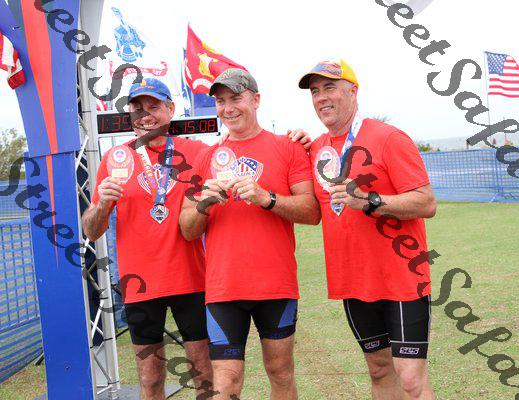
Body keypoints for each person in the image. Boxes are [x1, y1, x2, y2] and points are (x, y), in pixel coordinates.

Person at [297, 60, 437, 400]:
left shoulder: (388, 137)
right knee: (378, 370)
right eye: (315, 91)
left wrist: (371, 201)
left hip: (402, 277)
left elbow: (426, 202)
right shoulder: (315, 149)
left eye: (330, 87)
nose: (321, 97)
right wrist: (293, 144)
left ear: (353, 91)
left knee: (410, 378)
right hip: (354, 279)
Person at [179, 68, 320, 400]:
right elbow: (187, 229)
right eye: (220, 101)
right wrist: (204, 204)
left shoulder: (287, 147)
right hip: (224, 288)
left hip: (276, 284)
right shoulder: (206, 157)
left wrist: (266, 198)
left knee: (280, 371)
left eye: (236, 98)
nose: (228, 108)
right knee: (225, 380)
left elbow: (312, 211)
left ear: (256, 100)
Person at [82, 78, 212, 399]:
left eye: (153, 106)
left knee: (204, 373)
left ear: (170, 108)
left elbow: (237, 154)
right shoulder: (115, 158)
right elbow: (91, 230)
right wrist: (102, 204)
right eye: (137, 108)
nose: (145, 115)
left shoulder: (198, 152)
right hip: (139, 285)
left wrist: (297, 140)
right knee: (150, 378)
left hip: (191, 279)